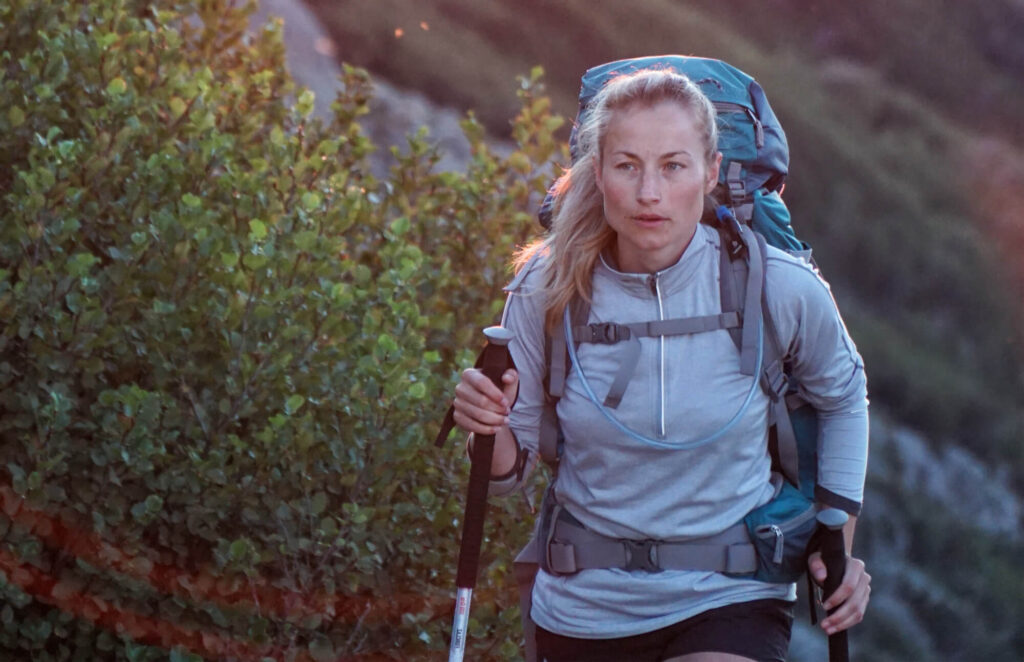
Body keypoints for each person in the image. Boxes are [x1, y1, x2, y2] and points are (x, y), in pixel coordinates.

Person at [450, 68, 870, 662]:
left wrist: (838, 535)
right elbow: (505, 472)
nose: (650, 192)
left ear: (711, 172)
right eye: (627, 166)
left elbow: (845, 395)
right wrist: (485, 428)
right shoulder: (545, 288)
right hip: (581, 604)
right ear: (598, 174)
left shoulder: (777, 286)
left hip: (731, 595)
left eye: (673, 166)